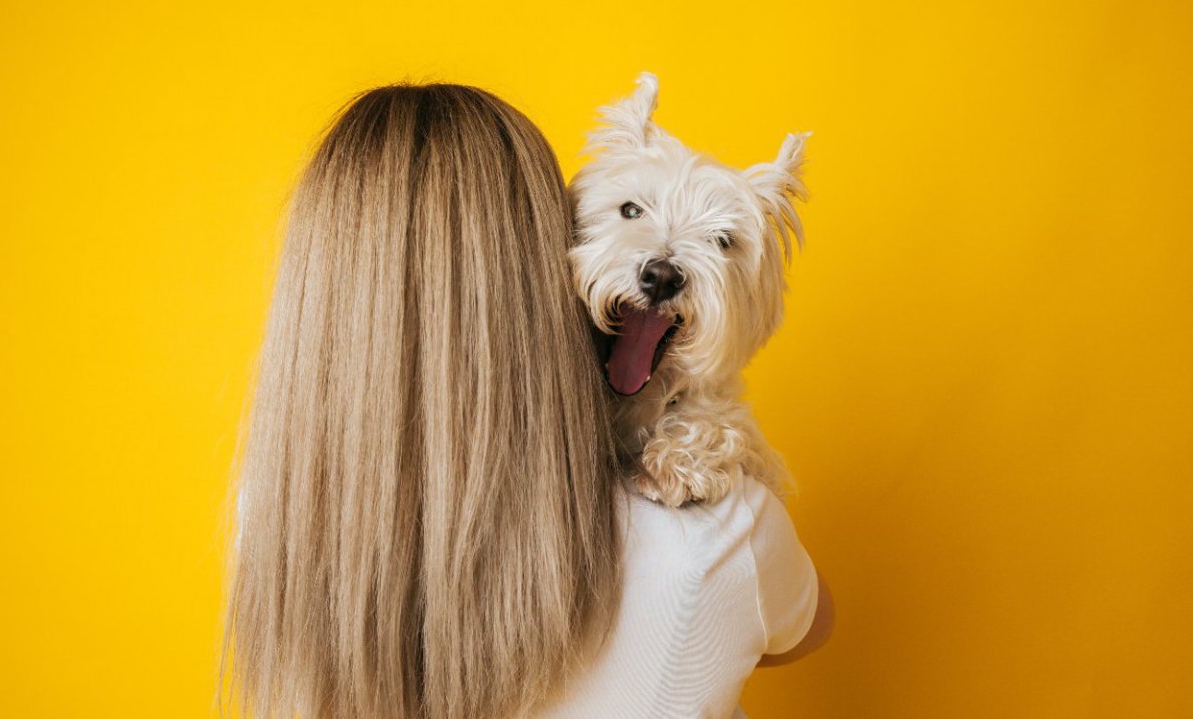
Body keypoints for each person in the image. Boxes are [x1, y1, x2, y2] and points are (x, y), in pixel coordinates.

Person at [218, 83, 830, 719]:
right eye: (629, 211)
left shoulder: (269, 511)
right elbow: (801, 626)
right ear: (539, 254)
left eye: (722, 239)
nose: (661, 261)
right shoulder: (721, 541)